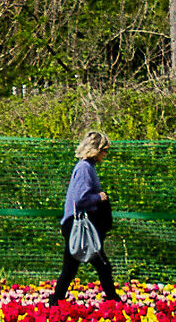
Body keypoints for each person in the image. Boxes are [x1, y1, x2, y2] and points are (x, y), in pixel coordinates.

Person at [48, 129, 121, 305]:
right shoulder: (85, 168)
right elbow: (80, 199)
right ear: (96, 149)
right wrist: (99, 197)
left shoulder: (86, 167)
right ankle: (114, 301)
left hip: (74, 223)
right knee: (101, 264)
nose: (105, 154)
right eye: (105, 150)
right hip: (79, 225)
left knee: (71, 268)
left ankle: (55, 301)